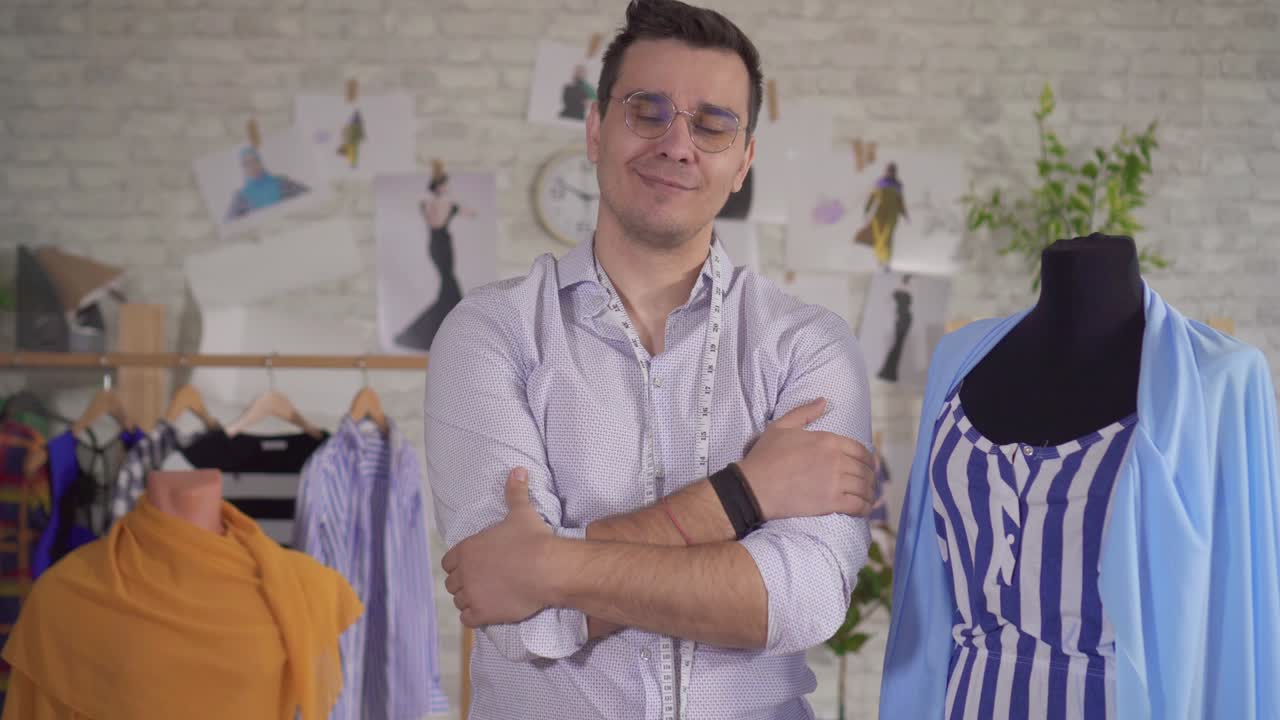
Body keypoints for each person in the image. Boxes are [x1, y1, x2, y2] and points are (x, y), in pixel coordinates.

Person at [425, 1, 877, 717]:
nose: (677, 144)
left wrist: (548, 564)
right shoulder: (490, 333)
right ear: (596, 129)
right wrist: (742, 497)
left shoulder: (809, 346)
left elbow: (801, 602)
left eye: (713, 125)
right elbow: (515, 619)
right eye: (648, 111)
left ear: (743, 162)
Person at [395, 165, 474, 352]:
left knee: (448, 288)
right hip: (439, 244)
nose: (447, 188)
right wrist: (444, 204)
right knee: (450, 287)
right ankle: (430, 333)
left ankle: (445, 332)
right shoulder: (433, 204)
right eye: (444, 185)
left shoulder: (443, 203)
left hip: (443, 243)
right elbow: (436, 222)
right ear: (438, 186)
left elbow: (471, 213)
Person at [226, 146, 309, 220]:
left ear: (260, 162)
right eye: (247, 163)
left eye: (255, 160)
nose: (252, 166)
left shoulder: (281, 182)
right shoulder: (241, 197)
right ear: (243, 168)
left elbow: (308, 195)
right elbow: (229, 225)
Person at [856, 162, 908, 268]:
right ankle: (879, 260)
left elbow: (900, 201)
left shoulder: (898, 185)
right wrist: (867, 210)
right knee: (878, 237)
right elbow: (872, 198)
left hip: (892, 215)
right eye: (889, 170)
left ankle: (887, 261)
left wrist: (905, 214)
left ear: (895, 172)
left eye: (892, 170)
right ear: (885, 171)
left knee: (887, 237)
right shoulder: (879, 183)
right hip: (879, 215)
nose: (890, 172)